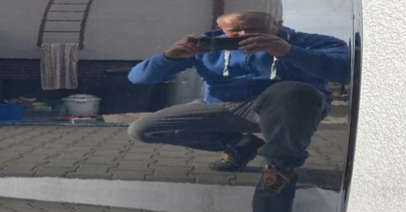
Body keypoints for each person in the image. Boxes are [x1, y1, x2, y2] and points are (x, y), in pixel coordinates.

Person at [127, 12, 350, 181]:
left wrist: (289, 51)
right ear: (221, 29)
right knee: (142, 129)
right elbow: (138, 78)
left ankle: (280, 169)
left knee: (292, 91)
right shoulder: (208, 45)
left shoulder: (311, 42)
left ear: (278, 24)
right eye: (235, 31)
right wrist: (169, 57)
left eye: (255, 29)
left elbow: (346, 71)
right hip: (226, 106)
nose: (244, 35)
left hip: (286, 108)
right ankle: (241, 145)